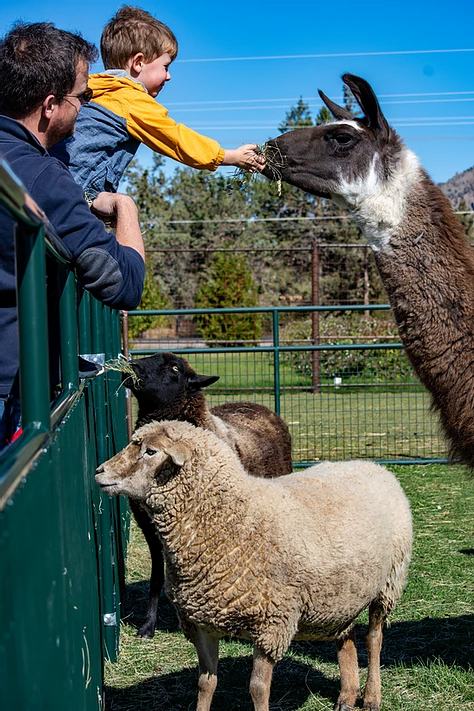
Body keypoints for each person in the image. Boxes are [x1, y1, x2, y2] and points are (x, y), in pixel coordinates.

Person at [0, 22, 146, 449]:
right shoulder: (44, 178)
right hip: (13, 390)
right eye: (81, 97)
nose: (85, 108)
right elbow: (125, 284)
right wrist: (125, 208)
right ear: (50, 106)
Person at [50, 5, 265, 198]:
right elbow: (176, 139)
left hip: (53, 178)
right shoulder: (130, 98)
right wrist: (230, 157)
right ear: (139, 63)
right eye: (166, 67)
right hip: (76, 190)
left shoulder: (94, 89)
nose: (169, 76)